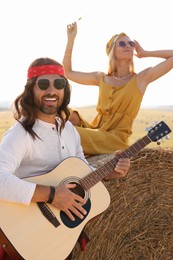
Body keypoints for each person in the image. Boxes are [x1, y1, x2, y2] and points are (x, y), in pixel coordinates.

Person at [0, 57, 130, 259]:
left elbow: (81, 172)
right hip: (25, 239)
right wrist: (51, 195)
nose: (51, 90)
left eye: (59, 84)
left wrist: (108, 173)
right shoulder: (20, 134)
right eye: (43, 84)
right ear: (31, 90)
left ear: (65, 90)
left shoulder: (69, 130)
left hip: (58, 239)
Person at [63, 22, 173, 155]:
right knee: (64, 113)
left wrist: (145, 53)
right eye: (122, 43)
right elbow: (68, 72)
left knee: (69, 131)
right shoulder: (101, 78)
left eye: (131, 43)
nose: (128, 46)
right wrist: (71, 39)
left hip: (115, 139)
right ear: (111, 51)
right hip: (95, 130)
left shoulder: (140, 79)